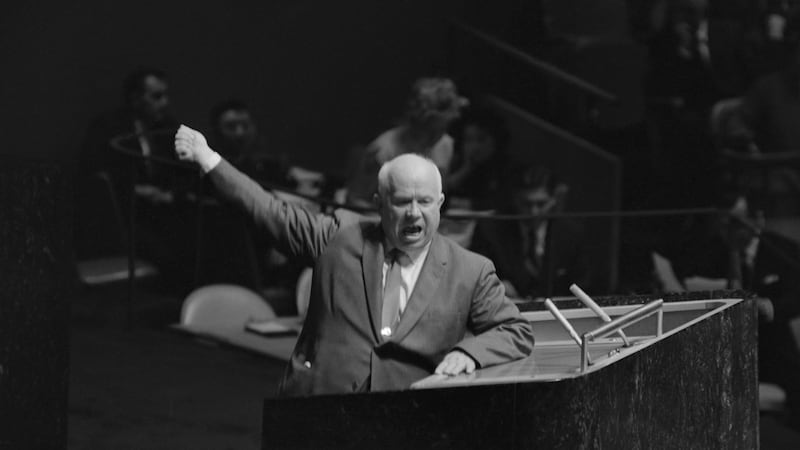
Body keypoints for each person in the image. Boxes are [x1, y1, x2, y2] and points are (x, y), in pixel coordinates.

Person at [175, 124, 534, 396]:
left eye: (424, 202)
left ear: (440, 204)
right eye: (402, 202)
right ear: (379, 204)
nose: (413, 214)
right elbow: (271, 212)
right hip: (320, 409)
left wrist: (471, 354)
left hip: (407, 420)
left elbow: (515, 330)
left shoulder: (470, 269)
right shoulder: (339, 236)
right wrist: (208, 158)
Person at [658, 194, 800, 429]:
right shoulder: (714, 249)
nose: (727, 231)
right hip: (721, 343)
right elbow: (685, 276)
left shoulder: (781, 250)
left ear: (757, 221)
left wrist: (769, 307)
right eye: (723, 223)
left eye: (735, 223)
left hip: (770, 345)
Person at [345, 77, 469, 207]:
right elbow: (355, 201)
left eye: (444, 128)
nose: (439, 136)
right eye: (433, 130)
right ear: (422, 122)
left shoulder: (444, 144)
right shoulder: (383, 151)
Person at [470, 166, 591, 299]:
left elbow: (584, 284)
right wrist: (495, 285)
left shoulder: (570, 232)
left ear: (553, 200)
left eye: (541, 204)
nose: (534, 212)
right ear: (515, 198)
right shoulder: (491, 229)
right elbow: (476, 276)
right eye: (526, 204)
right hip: (506, 308)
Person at [445, 107, 510, 210]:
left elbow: (501, 203)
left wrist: (468, 204)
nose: (474, 147)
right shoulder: (455, 163)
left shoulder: (504, 168)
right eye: (469, 140)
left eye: (481, 139)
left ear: (495, 141)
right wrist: (465, 170)